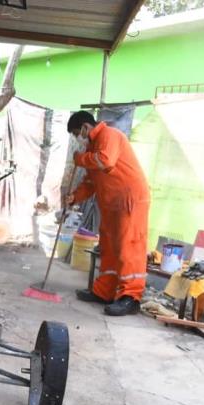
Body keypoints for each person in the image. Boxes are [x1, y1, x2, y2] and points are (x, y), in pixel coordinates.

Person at [66, 111, 150, 316]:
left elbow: (106, 161)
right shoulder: (92, 148)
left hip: (130, 200)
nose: (78, 139)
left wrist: (81, 159)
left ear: (86, 127)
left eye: (78, 133)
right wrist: (74, 197)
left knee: (128, 249)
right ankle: (105, 291)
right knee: (109, 248)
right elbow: (90, 183)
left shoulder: (109, 136)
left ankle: (130, 297)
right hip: (112, 204)